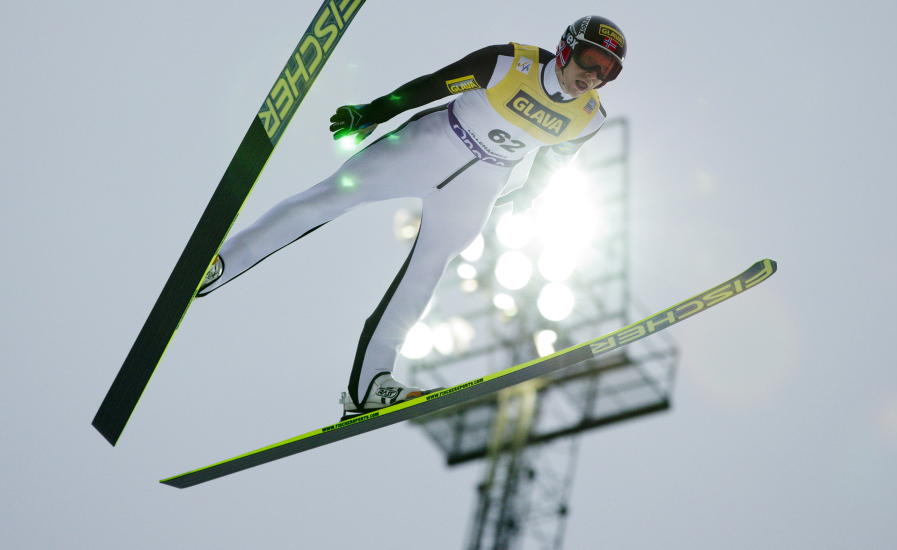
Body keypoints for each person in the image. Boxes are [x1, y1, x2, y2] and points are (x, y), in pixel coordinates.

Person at [196, 15, 627, 419]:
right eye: (591, 62)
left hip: (481, 183)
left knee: (427, 270)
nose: (593, 77)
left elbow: (558, 158)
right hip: (431, 144)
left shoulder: (588, 117)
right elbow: (433, 86)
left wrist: (530, 193)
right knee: (328, 199)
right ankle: (219, 266)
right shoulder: (507, 62)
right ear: (566, 49)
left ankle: (370, 386)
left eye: (607, 72)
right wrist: (375, 111)